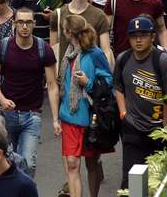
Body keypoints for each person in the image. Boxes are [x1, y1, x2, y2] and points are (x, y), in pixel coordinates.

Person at [0, 7, 59, 178]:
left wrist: (56, 119)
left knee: (27, 164)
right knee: (4, 164)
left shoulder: (44, 49)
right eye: (21, 22)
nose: (24, 26)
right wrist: (2, 99)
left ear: (34, 24)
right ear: (14, 24)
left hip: (31, 115)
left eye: (28, 22)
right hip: (6, 114)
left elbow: (52, 84)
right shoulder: (3, 46)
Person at [113, 16, 167, 189]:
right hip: (133, 129)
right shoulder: (123, 59)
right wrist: (123, 113)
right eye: (134, 36)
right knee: (130, 182)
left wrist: (165, 127)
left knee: (158, 181)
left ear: (152, 37)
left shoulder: (163, 61)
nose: (138, 39)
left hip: (158, 131)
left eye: (143, 35)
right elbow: (118, 88)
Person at [58, 14, 111, 197]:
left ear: (68, 32)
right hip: (69, 116)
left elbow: (108, 81)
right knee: (72, 163)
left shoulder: (94, 53)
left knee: (91, 163)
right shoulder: (68, 53)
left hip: (90, 117)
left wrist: (88, 82)